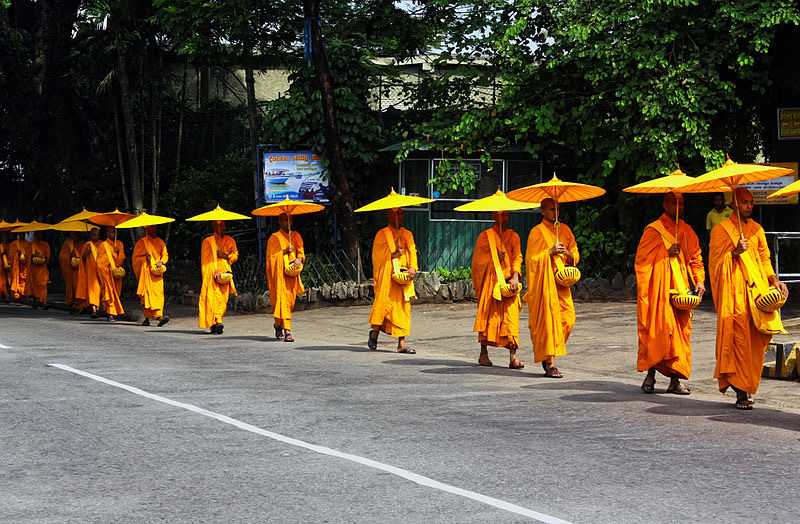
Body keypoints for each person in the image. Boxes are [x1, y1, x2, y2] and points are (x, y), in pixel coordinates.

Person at [709, 187, 789, 410]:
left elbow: (764, 259)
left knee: (755, 341)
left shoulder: (756, 229)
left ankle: (747, 384)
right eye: (744, 202)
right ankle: (741, 391)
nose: (749, 206)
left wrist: (774, 279)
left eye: (751, 202)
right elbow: (715, 266)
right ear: (734, 204)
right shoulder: (721, 230)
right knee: (738, 341)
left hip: (756, 293)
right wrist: (734, 252)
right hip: (734, 295)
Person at [635, 193, 705, 394]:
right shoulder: (653, 230)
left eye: (681, 203)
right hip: (659, 292)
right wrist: (666, 253)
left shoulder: (687, 230)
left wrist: (699, 280)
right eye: (674, 203)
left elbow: (695, 258)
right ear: (665, 205)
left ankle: (675, 380)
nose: (678, 207)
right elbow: (642, 262)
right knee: (657, 331)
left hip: (681, 290)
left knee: (680, 334)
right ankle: (650, 375)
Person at [524, 198, 580, 378]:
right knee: (548, 322)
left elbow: (575, 253)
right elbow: (531, 261)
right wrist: (550, 252)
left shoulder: (565, 230)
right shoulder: (536, 232)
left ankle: (550, 352)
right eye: (551, 209)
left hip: (562, 283)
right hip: (544, 285)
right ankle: (549, 362)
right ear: (542, 211)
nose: (555, 212)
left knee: (568, 320)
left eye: (557, 209)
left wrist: (567, 253)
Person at [471, 210, 524, 368]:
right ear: (494, 216)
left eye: (506, 215)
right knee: (487, 317)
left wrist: (515, 276)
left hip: (509, 283)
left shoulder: (513, 236)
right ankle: (483, 354)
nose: (504, 218)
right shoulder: (485, 236)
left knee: (512, 319)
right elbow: (478, 263)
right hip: (491, 283)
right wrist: (493, 258)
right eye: (501, 215)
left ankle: (513, 358)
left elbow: (517, 257)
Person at [367, 207, 418, 354]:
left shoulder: (407, 234)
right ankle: (374, 333)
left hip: (403, 277)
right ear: (389, 215)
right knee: (383, 306)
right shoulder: (382, 234)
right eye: (396, 214)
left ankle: (401, 344)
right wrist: (393, 254)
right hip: (387, 278)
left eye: (401, 213)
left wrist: (412, 268)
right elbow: (377, 258)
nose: (399, 216)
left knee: (403, 309)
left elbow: (412, 252)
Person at [266, 213, 305, 342]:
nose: (289, 223)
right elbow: (270, 258)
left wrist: (299, 259)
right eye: (285, 220)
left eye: (290, 220)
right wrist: (285, 251)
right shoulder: (274, 238)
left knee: (290, 303)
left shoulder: (296, 235)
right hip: (279, 277)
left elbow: (301, 252)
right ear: (279, 221)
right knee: (281, 302)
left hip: (292, 274)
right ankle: (287, 331)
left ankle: (278, 325)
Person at [199, 220, 239, 334]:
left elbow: (235, 255)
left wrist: (224, 255)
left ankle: (217, 320)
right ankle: (216, 322)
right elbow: (205, 260)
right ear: (214, 226)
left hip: (225, 273)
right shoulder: (208, 241)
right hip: (212, 274)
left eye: (223, 225)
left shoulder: (230, 240)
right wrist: (213, 271)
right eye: (219, 225)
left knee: (223, 298)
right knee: (212, 298)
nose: (222, 227)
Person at [132, 225, 170, 327]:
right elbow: (135, 259)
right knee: (147, 295)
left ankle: (159, 316)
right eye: (151, 227)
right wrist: (145, 259)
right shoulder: (141, 243)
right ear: (146, 229)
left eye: (154, 227)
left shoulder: (160, 242)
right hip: (147, 273)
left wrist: (161, 262)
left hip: (157, 273)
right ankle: (147, 318)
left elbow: (165, 254)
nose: (153, 229)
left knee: (158, 294)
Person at [97, 226, 125, 321]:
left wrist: (117, 253)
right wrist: (110, 257)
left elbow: (120, 261)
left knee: (116, 293)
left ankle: (113, 312)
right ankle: (110, 314)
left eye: (115, 232)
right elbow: (99, 262)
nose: (113, 234)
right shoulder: (103, 245)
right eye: (111, 232)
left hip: (116, 273)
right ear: (107, 233)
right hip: (106, 274)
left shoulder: (119, 244)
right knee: (109, 292)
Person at [75, 227, 103, 317]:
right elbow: (82, 259)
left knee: (99, 290)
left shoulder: (102, 244)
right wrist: (87, 251)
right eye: (94, 235)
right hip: (90, 272)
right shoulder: (87, 245)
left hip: (101, 271)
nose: (96, 237)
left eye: (97, 235)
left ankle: (88, 307)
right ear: (90, 235)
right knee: (93, 289)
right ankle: (94, 310)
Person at [58, 231, 85, 313]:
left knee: (79, 287)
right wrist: (70, 255)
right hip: (70, 270)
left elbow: (85, 257)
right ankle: (72, 304)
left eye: (79, 235)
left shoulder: (83, 244)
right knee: (71, 288)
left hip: (80, 271)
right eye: (76, 235)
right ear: (72, 235)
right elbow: (62, 256)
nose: (77, 237)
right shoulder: (67, 244)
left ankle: (79, 305)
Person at [27, 230, 51, 308]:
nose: (38, 236)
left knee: (43, 285)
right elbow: (27, 256)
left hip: (42, 268)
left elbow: (47, 256)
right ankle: (35, 301)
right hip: (33, 269)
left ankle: (43, 301)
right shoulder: (31, 245)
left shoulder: (45, 244)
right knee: (34, 285)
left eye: (40, 234)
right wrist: (33, 255)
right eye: (37, 234)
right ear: (34, 235)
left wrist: (43, 256)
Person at [7, 232, 31, 303]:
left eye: (23, 234)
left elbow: (30, 254)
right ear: (18, 234)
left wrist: (25, 256)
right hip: (17, 266)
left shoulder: (28, 244)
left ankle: (25, 296)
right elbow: (10, 255)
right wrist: (17, 255)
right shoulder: (14, 244)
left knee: (25, 281)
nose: (22, 235)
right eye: (21, 234)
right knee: (17, 280)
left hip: (25, 266)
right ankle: (17, 297)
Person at [0, 231, 10, 302]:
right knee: (1, 282)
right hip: (1, 265)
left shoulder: (3, 245)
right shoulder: (1, 245)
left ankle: (4, 295)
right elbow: (3, 254)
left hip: (2, 266)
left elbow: (5, 253)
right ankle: (4, 295)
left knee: (3, 281)